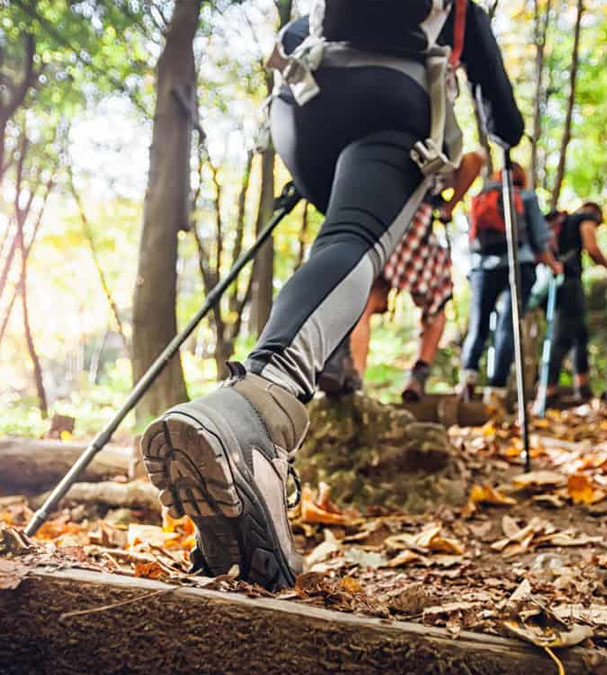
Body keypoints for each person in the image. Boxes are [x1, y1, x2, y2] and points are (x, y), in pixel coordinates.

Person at [140, 1, 524, 591]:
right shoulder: (461, 10)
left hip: (301, 105)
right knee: (354, 241)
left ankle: (326, 371)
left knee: (336, 240)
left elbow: (297, 32)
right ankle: (260, 413)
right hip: (387, 102)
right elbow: (503, 118)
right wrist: (503, 134)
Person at [320, 150, 486, 402]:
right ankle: (418, 375)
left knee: (363, 305)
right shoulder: (432, 147)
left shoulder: (377, 153)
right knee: (436, 305)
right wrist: (448, 206)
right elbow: (477, 158)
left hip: (380, 223)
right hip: (417, 227)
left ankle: (353, 378)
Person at [458, 162, 560, 404]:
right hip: (519, 265)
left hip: (483, 268)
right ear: (521, 178)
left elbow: (470, 240)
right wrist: (553, 265)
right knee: (508, 325)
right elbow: (539, 239)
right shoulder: (525, 197)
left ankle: (468, 376)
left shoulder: (482, 197)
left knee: (479, 325)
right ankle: (496, 389)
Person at [538, 201, 607, 407]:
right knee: (561, 337)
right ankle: (548, 392)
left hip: (553, 284)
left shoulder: (561, 223)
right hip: (569, 283)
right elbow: (591, 247)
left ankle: (582, 388)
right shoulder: (584, 219)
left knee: (579, 334)